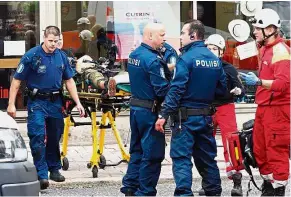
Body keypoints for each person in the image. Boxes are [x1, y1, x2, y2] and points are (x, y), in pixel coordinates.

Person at [6, 26, 85, 190]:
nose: (53, 44)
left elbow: (69, 81)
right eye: (50, 41)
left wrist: (78, 102)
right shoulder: (32, 56)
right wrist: (11, 104)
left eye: (56, 41)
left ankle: (54, 168)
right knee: (37, 136)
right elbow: (16, 81)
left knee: (55, 135)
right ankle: (41, 174)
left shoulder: (61, 56)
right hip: (37, 102)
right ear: (44, 38)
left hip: (55, 102)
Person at [155, 19, 227, 196]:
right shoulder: (214, 60)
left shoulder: (185, 59)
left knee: (181, 159)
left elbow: (177, 89)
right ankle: (214, 192)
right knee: (207, 159)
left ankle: (184, 194)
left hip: (184, 119)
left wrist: (164, 113)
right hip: (205, 117)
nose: (180, 37)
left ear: (193, 35)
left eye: (182, 33)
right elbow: (222, 89)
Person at [240, 8, 290, 196]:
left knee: (276, 150)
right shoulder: (265, 48)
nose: (254, 32)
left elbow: (283, 84)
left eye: (257, 29)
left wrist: (259, 82)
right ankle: (269, 184)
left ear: (270, 29)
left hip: (278, 109)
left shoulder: (281, 52)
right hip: (264, 107)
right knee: (260, 149)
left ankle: (279, 189)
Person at [120, 23, 170, 196]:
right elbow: (161, 89)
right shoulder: (153, 60)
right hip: (150, 112)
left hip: (136, 110)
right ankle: (145, 192)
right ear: (149, 36)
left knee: (137, 151)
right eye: (162, 35)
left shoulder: (134, 55)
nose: (164, 38)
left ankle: (130, 187)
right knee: (153, 154)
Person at [201, 34, 244, 196]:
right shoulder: (200, 67)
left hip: (225, 107)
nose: (211, 51)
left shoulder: (228, 68)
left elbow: (240, 87)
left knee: (232, 143)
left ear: (221, 52)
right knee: (204, 145)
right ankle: (207, 181)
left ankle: (237, 180)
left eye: (214, 49)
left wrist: (238, 90)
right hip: (206, 108)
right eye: (209, 48)